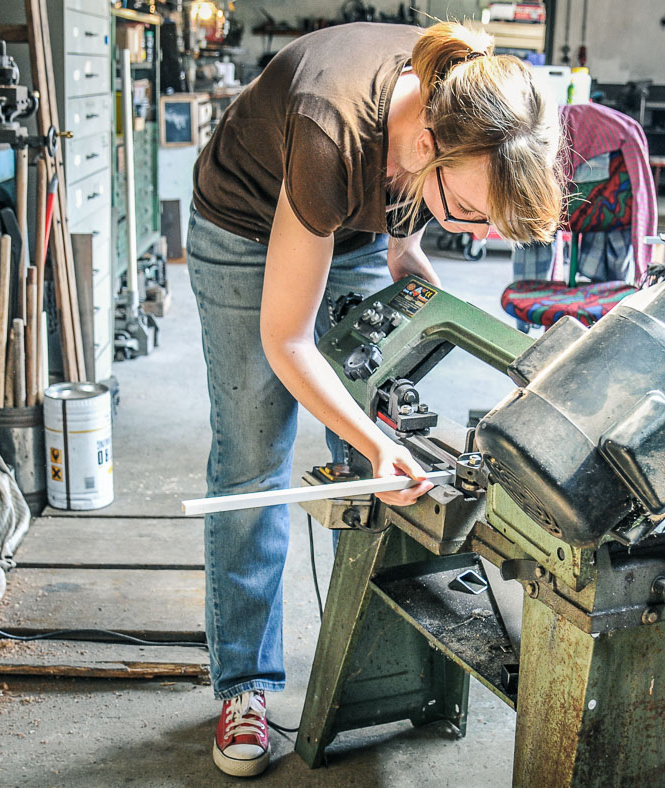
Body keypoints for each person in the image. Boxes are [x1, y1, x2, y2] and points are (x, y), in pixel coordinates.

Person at [187, 20, 562, 777]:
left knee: (373, 440)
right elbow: (286, 341)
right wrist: (370, 441)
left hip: (349, 226)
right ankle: (247, 686)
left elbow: (412, 200)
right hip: (244, 222)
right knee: (255, 457)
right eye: (470, 214)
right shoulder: (330, 130)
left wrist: (405, 246)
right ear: (425, 149)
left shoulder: (480, 105)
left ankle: (357, 660)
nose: (478, 231)